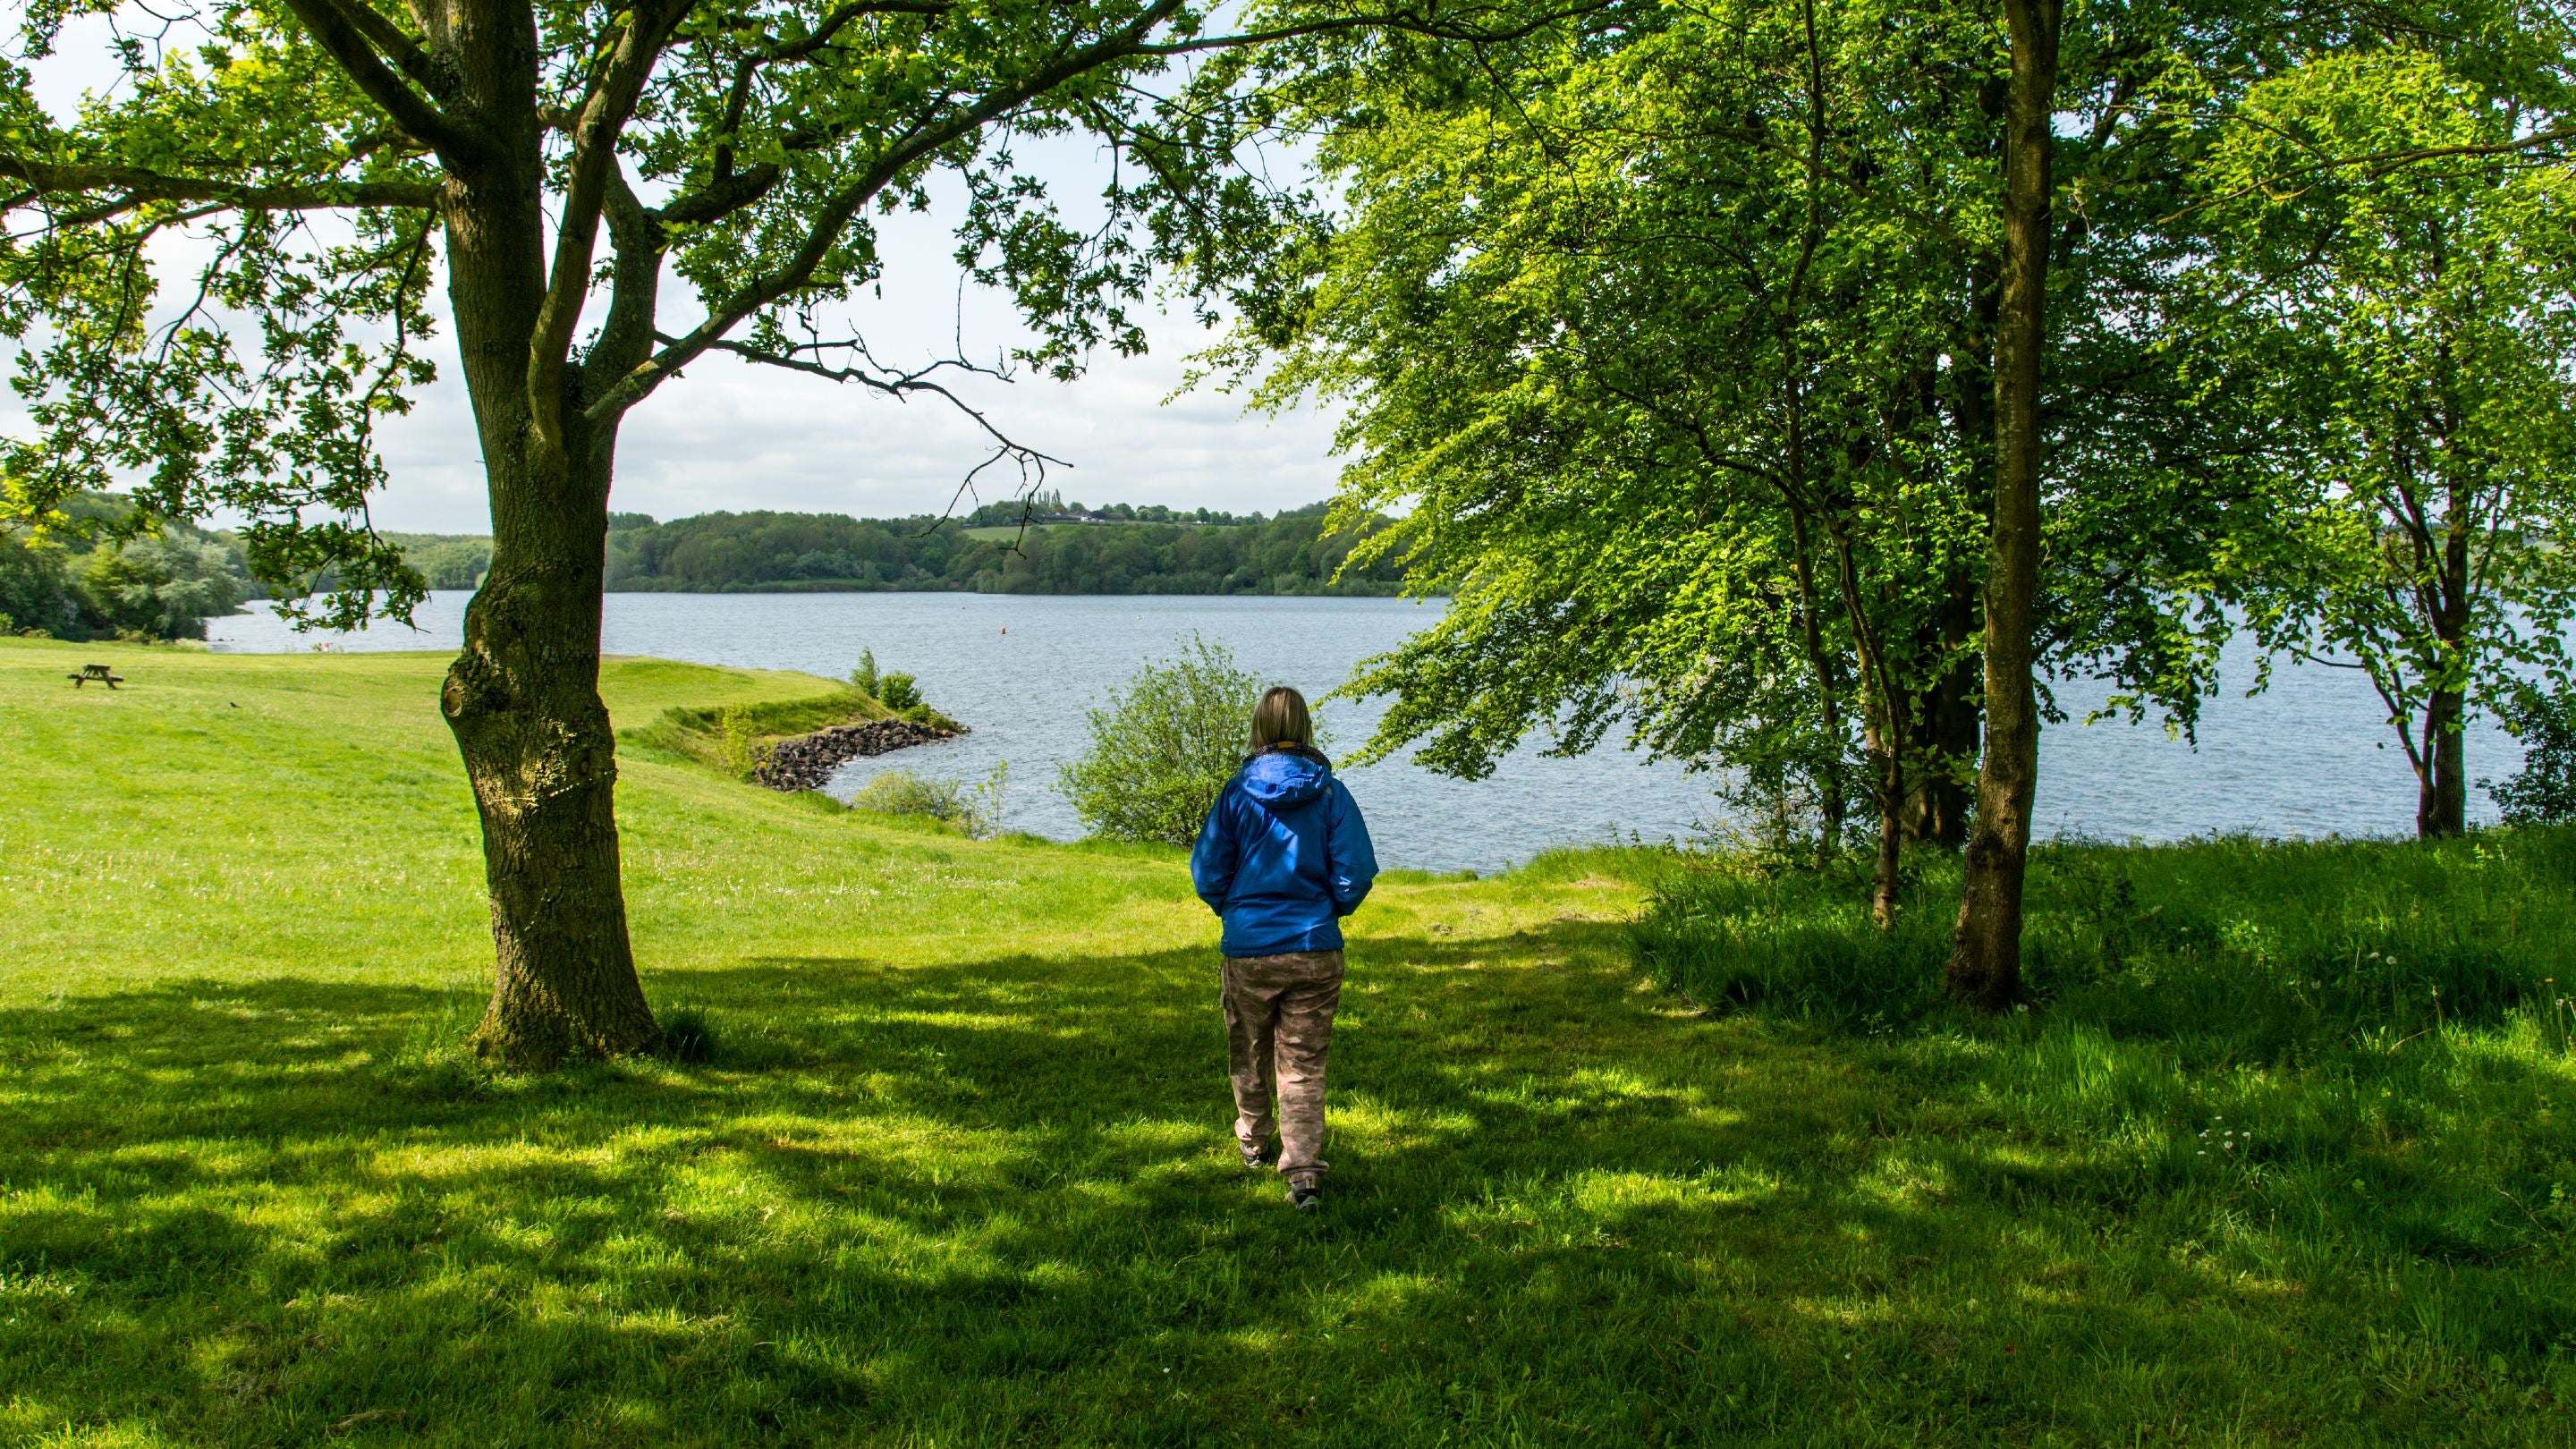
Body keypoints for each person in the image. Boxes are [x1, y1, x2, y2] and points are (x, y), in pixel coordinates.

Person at [1189, 685, 1377, 1210]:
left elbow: (1207, 871)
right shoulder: (1331, 794)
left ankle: (1253, 1142)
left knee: (1248, 1048)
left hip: (1249, 948)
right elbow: (1355, 872)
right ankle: (1304, 1175)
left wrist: (1237, 910)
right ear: (1305, 727)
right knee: (1303, 1063)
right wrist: (1327, 911)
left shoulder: (1235, 793)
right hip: (1314, 948)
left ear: (1260, 729)